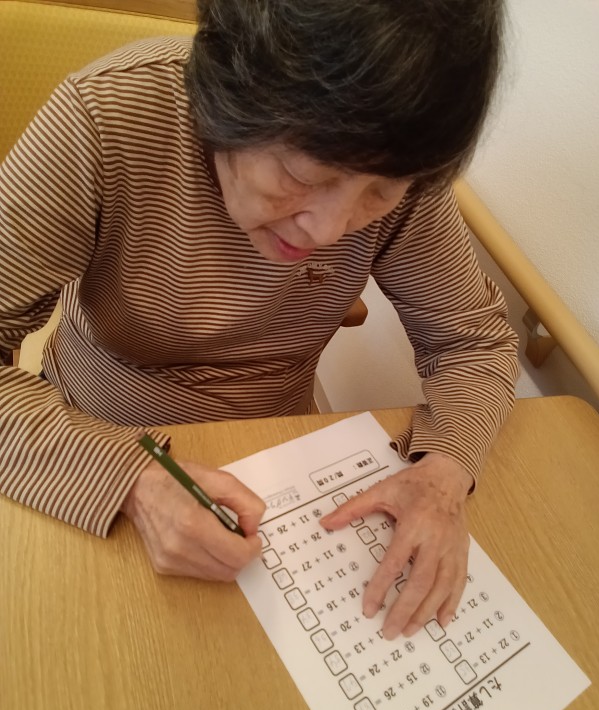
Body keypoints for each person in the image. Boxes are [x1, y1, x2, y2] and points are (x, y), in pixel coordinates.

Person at [0, 0, 518, 640]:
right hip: (98, 433)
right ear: (224, 104)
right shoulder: (104, 120)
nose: (331, 231)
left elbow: (473, 342)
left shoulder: (399, 158)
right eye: (303, 175)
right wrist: (128, 479)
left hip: (281, 453)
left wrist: (444, 472)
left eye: (379, 194)